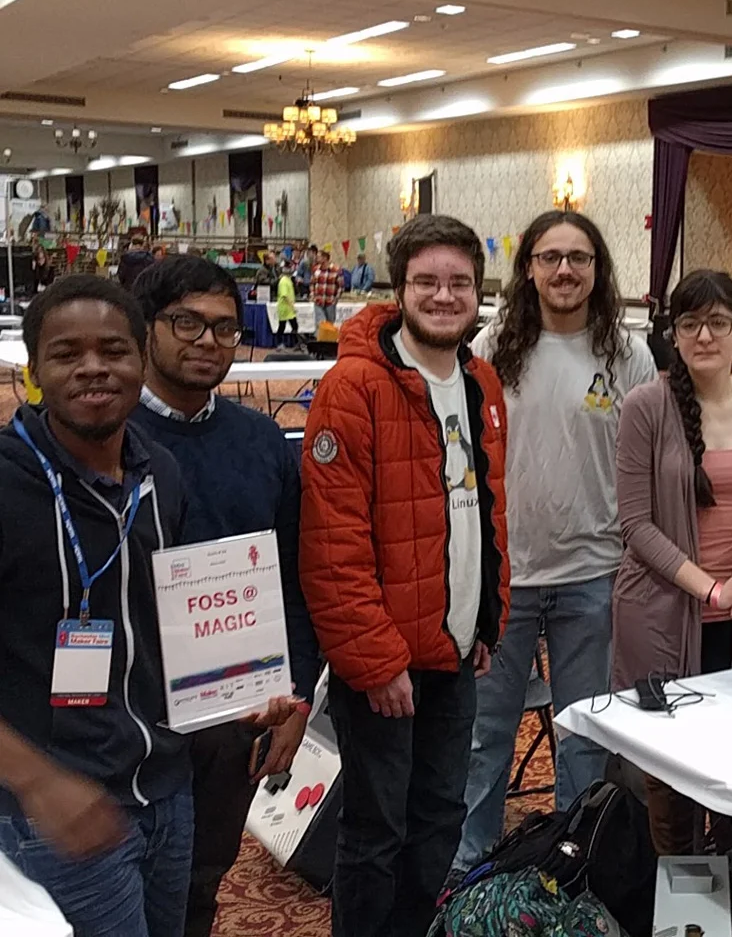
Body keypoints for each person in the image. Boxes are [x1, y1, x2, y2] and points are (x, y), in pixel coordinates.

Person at [299, 214, 510, 937]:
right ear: (400, 288)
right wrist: (378, 662)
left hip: (454, 654)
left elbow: (485, 512)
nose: (444, 296)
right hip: (384, 665)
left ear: (479, 293)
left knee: (439, 823)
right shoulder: (353, 387)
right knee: (376, 834)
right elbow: (333, 548)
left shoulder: (482, 381)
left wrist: (486, 621)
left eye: (459, 283)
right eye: (427, 281)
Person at [456, 210, 657, 870]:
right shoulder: (490, 347)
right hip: (504, 578)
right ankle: (471, 864)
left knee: (584, 733)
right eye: (550, 257)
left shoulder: (627, 354)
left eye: (579, 257)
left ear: (598, 270)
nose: (565, 270)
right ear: (529, 268)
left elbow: (650, 460)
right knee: (487, 735)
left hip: (594, 575)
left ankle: (576, 861)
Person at [129, 256, 320, 937]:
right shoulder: (103, 436)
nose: (207, 342)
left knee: (202, 884)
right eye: (186, 322)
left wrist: (295, 701)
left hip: (235, 714)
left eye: (224, 329)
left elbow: (299, 581)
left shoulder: (261, 440)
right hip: (125, 719)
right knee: (110, 893)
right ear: (145, 326)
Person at [0, 275, 193, 937]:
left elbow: (166, 623)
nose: (92, 368)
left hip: (166, 790)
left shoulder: (158, 472)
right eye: (66, 353)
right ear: (33, 371)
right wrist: (37, 782)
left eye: (113, 350)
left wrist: (241, 690)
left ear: (141, 358)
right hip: (55, 812)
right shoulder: (5, 482)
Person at [613, 268, 732, 854]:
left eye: (718, 322)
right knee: (672, 780)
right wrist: (713, 591)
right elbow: (637, 526)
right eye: (690, 323)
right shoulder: (646, 406)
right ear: (674, 333)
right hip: (661, 616)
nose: (705, 336)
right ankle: (682, 907)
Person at [312, 249, 343, 325]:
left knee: (329, 324)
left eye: (319, 256)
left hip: (330, 302)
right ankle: (320, 336)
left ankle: (329, 337)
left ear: (325, 258)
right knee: (320, 323)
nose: (317, 258)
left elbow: (340, 286)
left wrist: (336, 299)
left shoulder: (336, 270)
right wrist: (312, 295)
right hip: (318, 301)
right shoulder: (316, 269)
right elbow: (312, 283)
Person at [275, 268, 298, 349]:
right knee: (282, 326)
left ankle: (294, 343)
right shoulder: (283, 281)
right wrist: (292, 305)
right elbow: (284, 295)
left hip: (288, 309)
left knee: (294, 326)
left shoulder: (288, 280)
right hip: (285, 308)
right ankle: (279, 343)